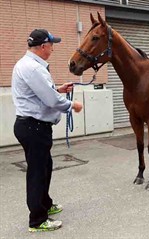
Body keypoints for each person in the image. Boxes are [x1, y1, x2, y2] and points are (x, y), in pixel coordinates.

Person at [12, 29, 83, 232]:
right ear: (43, 47)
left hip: (32, 126)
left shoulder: (28, 65)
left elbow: (41, 93)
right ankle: (37, 219)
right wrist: (72, 105)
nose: (53, 48)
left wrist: (59, 89)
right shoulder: (33, 68)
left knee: (45, 167)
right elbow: (50, 100)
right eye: (52, 45)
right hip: (34, 126)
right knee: (37, 172)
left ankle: (45, 203)